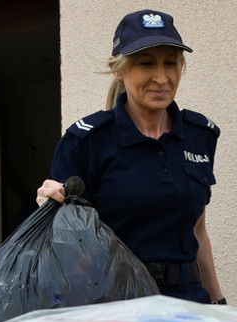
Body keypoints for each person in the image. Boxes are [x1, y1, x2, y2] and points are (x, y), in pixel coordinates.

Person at [37, 9, 225, 305]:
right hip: (115, 308)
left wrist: (218, 303)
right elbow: (66, 243)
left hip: (187, 306)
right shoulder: (86, 141)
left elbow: (198, 231)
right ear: (118, 69)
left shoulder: (200, 135)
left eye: (171, 63)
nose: (161, 77)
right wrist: (49, 208)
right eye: (146, 63)